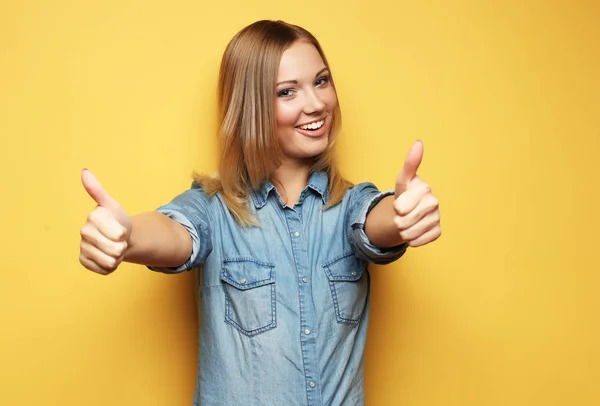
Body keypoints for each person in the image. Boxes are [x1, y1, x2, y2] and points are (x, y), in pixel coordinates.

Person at [79, 19, 441, 406]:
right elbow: (175, 233)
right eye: (288, 91)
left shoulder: (351, 203)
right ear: (251, 106)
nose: (316, 103)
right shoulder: (213, 208)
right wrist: (127, 235)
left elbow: (375, 222)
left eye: (321, 81)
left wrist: (404, 216)